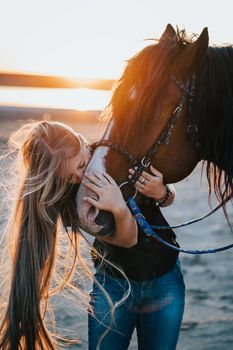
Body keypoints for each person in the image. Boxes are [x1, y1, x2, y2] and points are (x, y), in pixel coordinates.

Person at [0, 120, 184, 350]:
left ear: (83, 142)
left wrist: (162, 192)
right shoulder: (71, 201)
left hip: (166, 279)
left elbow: (168, 197)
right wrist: (117, 207)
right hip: (114, 287)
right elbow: (128, 240)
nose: (81, 175)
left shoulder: (113, 152)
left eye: (82, 163)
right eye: (69, 177)